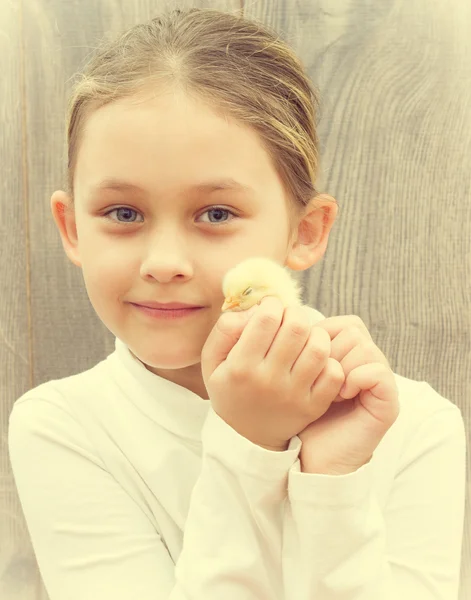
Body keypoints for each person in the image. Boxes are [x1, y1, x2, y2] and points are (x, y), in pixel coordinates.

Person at [8, 7, 466, 600]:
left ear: (305, 230)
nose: (164, 261)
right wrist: (248, 446)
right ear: (72, 228)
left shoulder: (415, 427)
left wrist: (334, 483)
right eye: (123, 213)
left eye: (216, 214)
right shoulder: (64, 427)